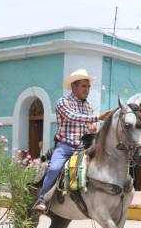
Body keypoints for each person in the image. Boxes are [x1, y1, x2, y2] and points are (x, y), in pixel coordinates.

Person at [33, 69, 113, 213]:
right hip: (65, 147)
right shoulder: (63, 102)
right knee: (54, 168)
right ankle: (42, 198)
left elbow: (89, 126)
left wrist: (93, 129)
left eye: (88, 87)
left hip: (83, 147)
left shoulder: (88, 106)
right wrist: (97, 118)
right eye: (84, 86)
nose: (87, 90)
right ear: (74, 87)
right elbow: (72, 117)